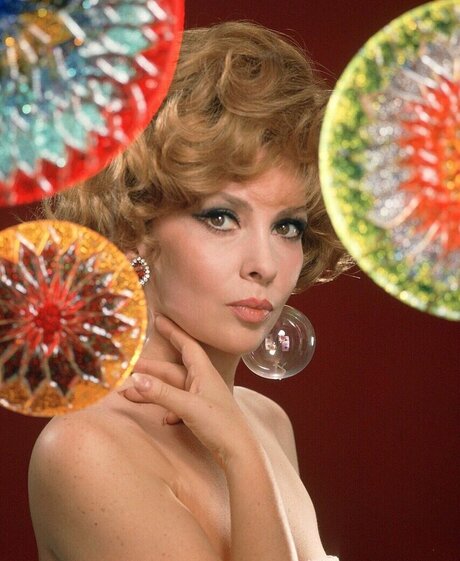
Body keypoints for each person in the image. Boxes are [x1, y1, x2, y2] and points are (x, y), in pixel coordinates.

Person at [29, 21, 350, 561]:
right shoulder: (87, 448)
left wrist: (241, 447)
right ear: (136, 225)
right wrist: (242, 457)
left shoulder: (265, 423)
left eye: (287, 226)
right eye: (221, 217)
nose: (264, 265)